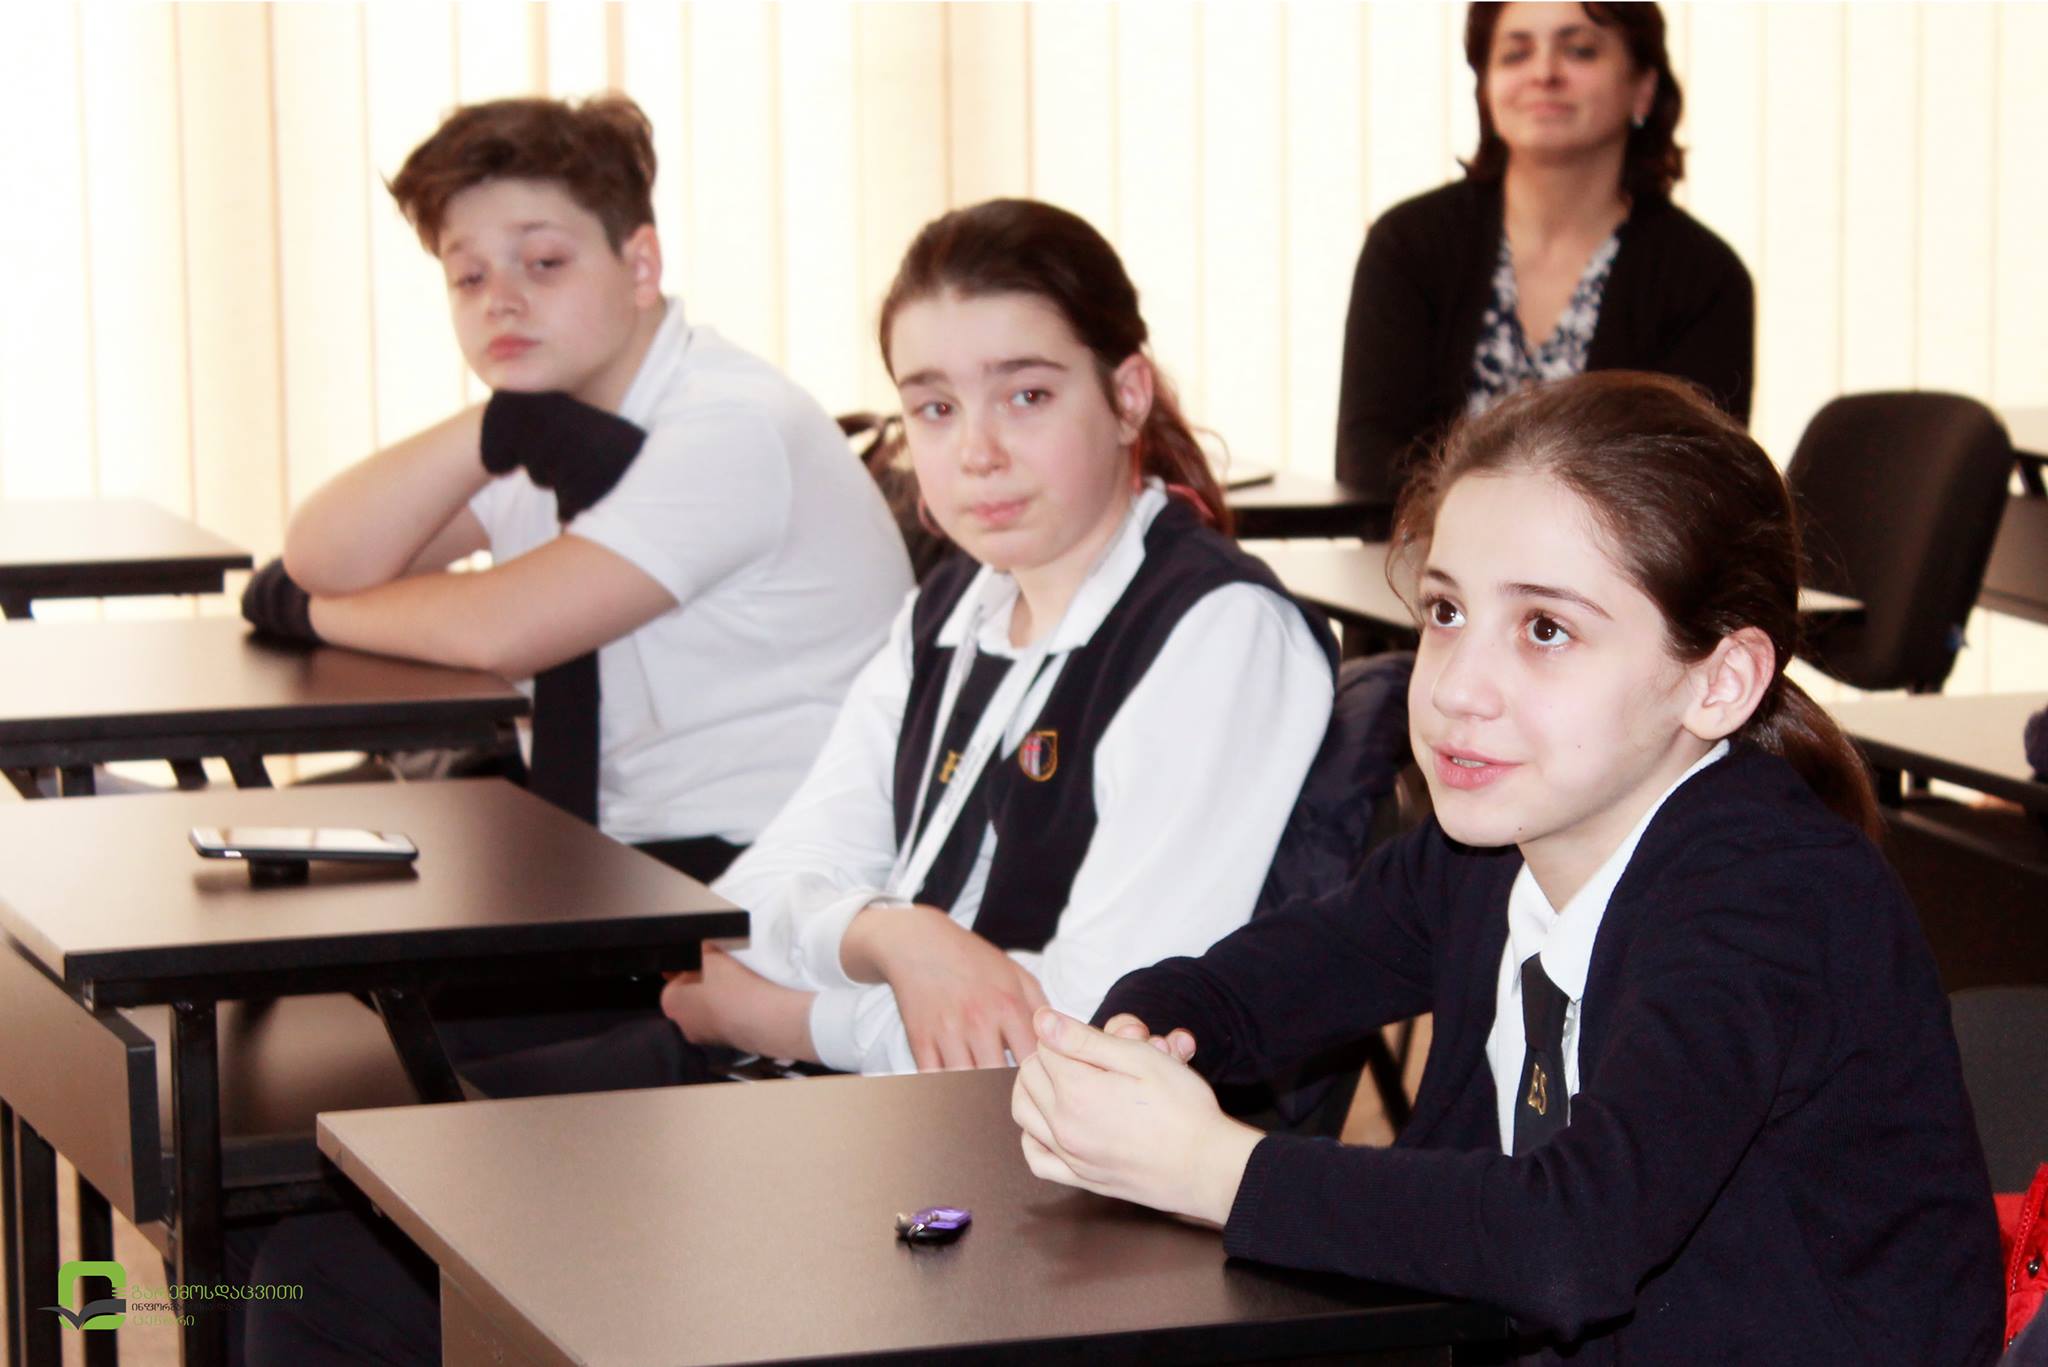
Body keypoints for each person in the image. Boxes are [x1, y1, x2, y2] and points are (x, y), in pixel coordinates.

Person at [241, 197, 1337, 1365]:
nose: (975, 450)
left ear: (1124, 395)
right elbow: (762, 891)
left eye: (1025, 395)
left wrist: (788, 1014)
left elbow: (1091, 1036)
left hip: (1007, 1189)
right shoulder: (951, 609)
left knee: (342, 1276)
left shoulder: (1215, 635)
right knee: (321, 1197)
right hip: (837, 1107)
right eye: (933, 405)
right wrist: (892, 936)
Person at [1012, 371, 2004, 1365]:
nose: (1456, 688)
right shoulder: (1481, 855)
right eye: (1445, 612)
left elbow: (1569, 1238)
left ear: (1718, 681)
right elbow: (1247, 989)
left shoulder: (1773, 897)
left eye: (1544, 629)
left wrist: (1213, 1167)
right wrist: (1134, 1039)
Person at [242, 95, 910, 881]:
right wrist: (490, 424)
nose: (500, 300)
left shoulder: (731, 424)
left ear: (640, 266)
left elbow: (504, 628)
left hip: (768, 871)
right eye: (468, 276)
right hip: (610, 845)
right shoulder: (552, 416)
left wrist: (306, 612)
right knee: (275, 877)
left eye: (544, 263)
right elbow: (326, 555)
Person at [1334, 2, 1754, 506]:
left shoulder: (1705, 277)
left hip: (1618, 561)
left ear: (1643, 87)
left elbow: (1696, 493)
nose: (1544, 73)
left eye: (1579, 51)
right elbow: (1368, 464)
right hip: (1419, 554)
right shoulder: (1408, 245)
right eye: (1516, 54)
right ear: (1486, 88)